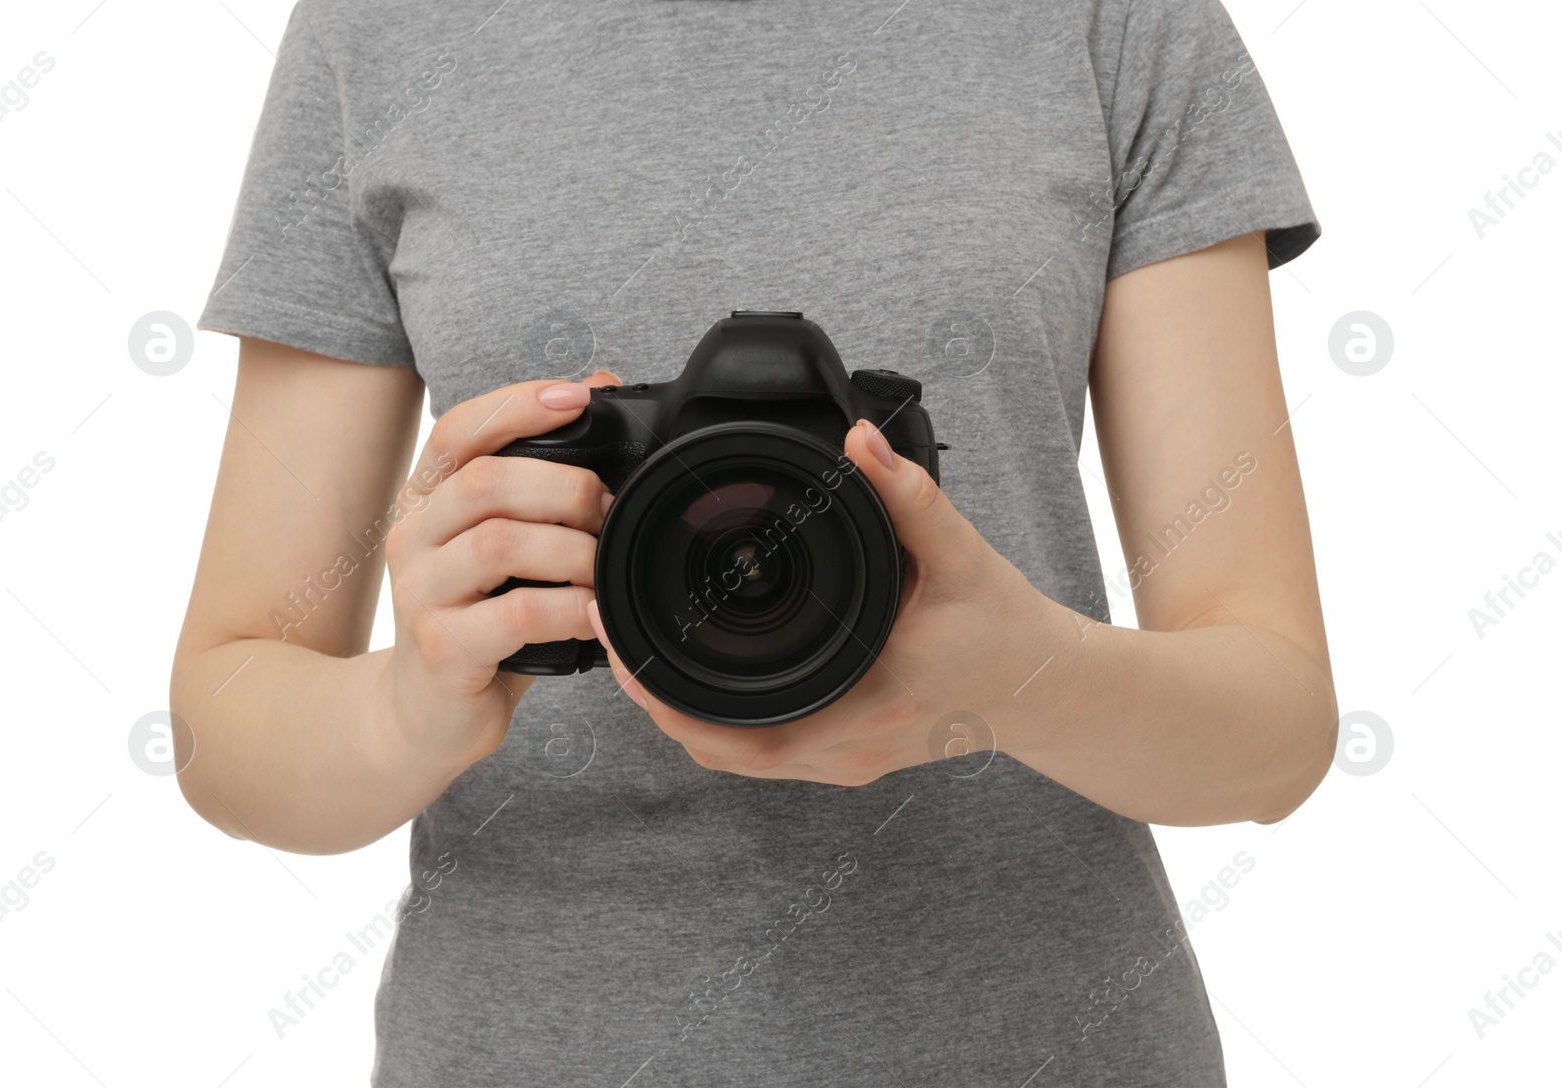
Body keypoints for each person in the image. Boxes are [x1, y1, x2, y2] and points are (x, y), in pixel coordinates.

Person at [173, 0, 1335, 1082]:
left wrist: (1020, 678)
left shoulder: (1115, 18)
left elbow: (1276, 728)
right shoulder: (379, 27)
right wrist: (410, 706)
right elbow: (224, 717)